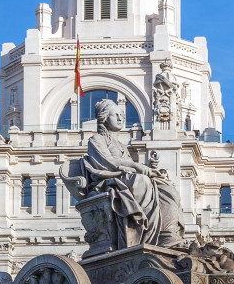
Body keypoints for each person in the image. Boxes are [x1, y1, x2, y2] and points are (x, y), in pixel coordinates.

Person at [73, 99, 185, 249]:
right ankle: (145, 233)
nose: (120, 118)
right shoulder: (96, 140)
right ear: (104, 118)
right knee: (142, 182)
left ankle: (167, 235)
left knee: (167, 188)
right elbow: (108, 163)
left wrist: (149, 167)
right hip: (108, 181)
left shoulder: (121, 145)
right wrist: (138, 167)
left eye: (122, 115)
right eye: (115, 115)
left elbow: (130, 167)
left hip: (126, 180)